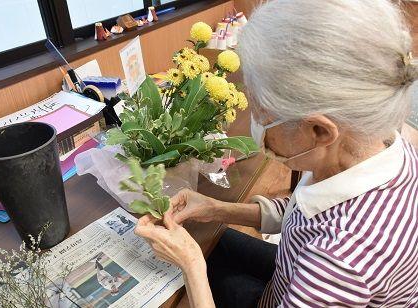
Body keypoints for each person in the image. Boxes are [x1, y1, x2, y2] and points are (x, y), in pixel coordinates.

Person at [135, 0, 418, 307]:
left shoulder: (342, 259)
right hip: (287, 275)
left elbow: (327, 245)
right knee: (207, 239)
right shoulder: (378, 143)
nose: (255, 124)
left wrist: (191, 265)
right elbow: (305, 212)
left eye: (261, 113)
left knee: (194, 262)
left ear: (320, 131)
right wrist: (216, 208)